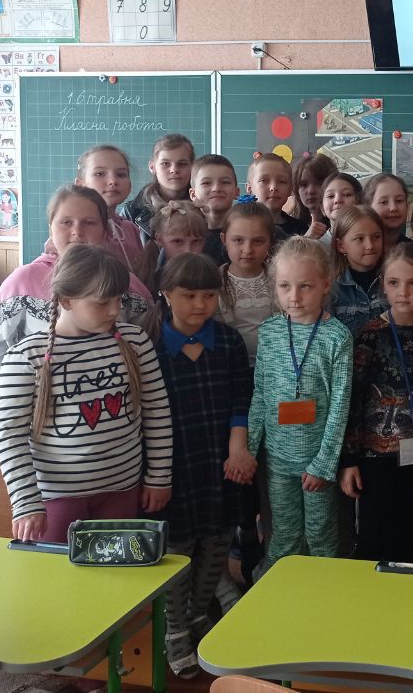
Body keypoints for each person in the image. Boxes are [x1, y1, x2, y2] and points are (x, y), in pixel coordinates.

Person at [0, 244, 172, 544]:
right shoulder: (26, 355)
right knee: (55, 573)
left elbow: (157, 412)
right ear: (66, 300)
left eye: (119, 299)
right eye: (102, 303)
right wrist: (25, 502)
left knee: (116, 572)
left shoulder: (135, 341)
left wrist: (159, 477)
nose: (115, 310)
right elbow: (9, 434)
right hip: (56, 499)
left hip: (123, 490)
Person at [141, 253, 255, 678]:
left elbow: (242, 399)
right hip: (171, 464)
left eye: (209, 295)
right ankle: (174, 628)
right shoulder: (148, 344)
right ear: (166, 294)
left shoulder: (228, 341)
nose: (200, 304)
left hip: (219, 458)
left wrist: (238, 447)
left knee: (217, 540)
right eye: (189, 295)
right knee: (177, 548)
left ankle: (196, 613)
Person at [248, 237, 353, 571]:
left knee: (321, 537)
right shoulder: (269, 331)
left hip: (316, 460)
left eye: (305, 286)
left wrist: (324, 464)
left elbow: (340, 406)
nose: (294, 296)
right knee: (284, 537)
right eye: (285, 286)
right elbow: (260, 393)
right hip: (277, 459)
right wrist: (249, 450)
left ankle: (324, 597)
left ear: (325, 285)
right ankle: (280, 594)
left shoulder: (337, 337)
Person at [340, 243, 413, 563]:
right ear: (383, 284)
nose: (403, 292)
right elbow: (353, 399)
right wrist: (349, 460)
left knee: (412, 538)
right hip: (376, 457)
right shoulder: (370, 334)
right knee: (373, 536)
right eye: (394, 283)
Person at [0, 185, 152, 375]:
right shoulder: (21, 282)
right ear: (51, 228)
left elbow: (145, 346)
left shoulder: (127, 284)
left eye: (89, 223)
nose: (77, 231)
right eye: (66, 222)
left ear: (105, 230)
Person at [216, 201, 277, 365]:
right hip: (232, 369)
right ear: (224, 239)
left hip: (275, 368)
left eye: (258, 241)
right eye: (238, 240)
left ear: (270, 242)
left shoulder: (281, 280)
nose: (248, 249)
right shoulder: (214, 284)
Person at [75, 144, 143, 272]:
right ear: (80, 185)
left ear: (130, 185)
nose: (113, 181)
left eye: (121, 175)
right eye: (99, 174)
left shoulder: (131, 230)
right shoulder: (75, 229)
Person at [119, 133, 195, 243]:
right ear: (152, 167)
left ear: (193, 167)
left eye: (182, 164)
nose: (174, 170)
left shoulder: (203, 209)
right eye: (165, 164)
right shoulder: (131, 212)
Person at [327, 205, 387, 335]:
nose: (370, 246)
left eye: (376, 237)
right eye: (360, 239)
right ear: (341, 246)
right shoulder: (331, 288)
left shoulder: (394, 279)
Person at [137, 200, 207, 294]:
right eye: (178, 241)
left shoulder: (211, 276)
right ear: (159, 239)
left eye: (196, 241)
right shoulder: (147, 282)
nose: (188, 250)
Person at [189, 154, 240, 265]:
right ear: (193, 194)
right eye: (206, 183)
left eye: (225, 182)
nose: (216, 188)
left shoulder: (246, 232)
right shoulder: (183, 235)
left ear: (237, 192)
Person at [247, 153, 305, 241]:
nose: (273, 187)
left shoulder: (300, 228)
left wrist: (306, 239)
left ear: (290, 189)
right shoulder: (238, 223)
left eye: (282, 181)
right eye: (264, 180)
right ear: (249, 188)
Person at [289, 154, 338, 240]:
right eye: (304, 185)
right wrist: (305, 240)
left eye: (318, 183)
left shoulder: (348, 224)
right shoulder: (288, 227)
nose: (311, 191)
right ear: (297, 190)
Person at [363, 172, 411, 250]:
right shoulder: (357, 251)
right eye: (384, 202)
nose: (393, 208)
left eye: (399, 200)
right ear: (368, 207)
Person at [319, 172, 363, 247]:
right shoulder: (317, 247)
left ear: (359, 201)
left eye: (346, 194)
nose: (338, 200)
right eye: (330, 196)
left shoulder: (371, 238)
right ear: (322, 208)